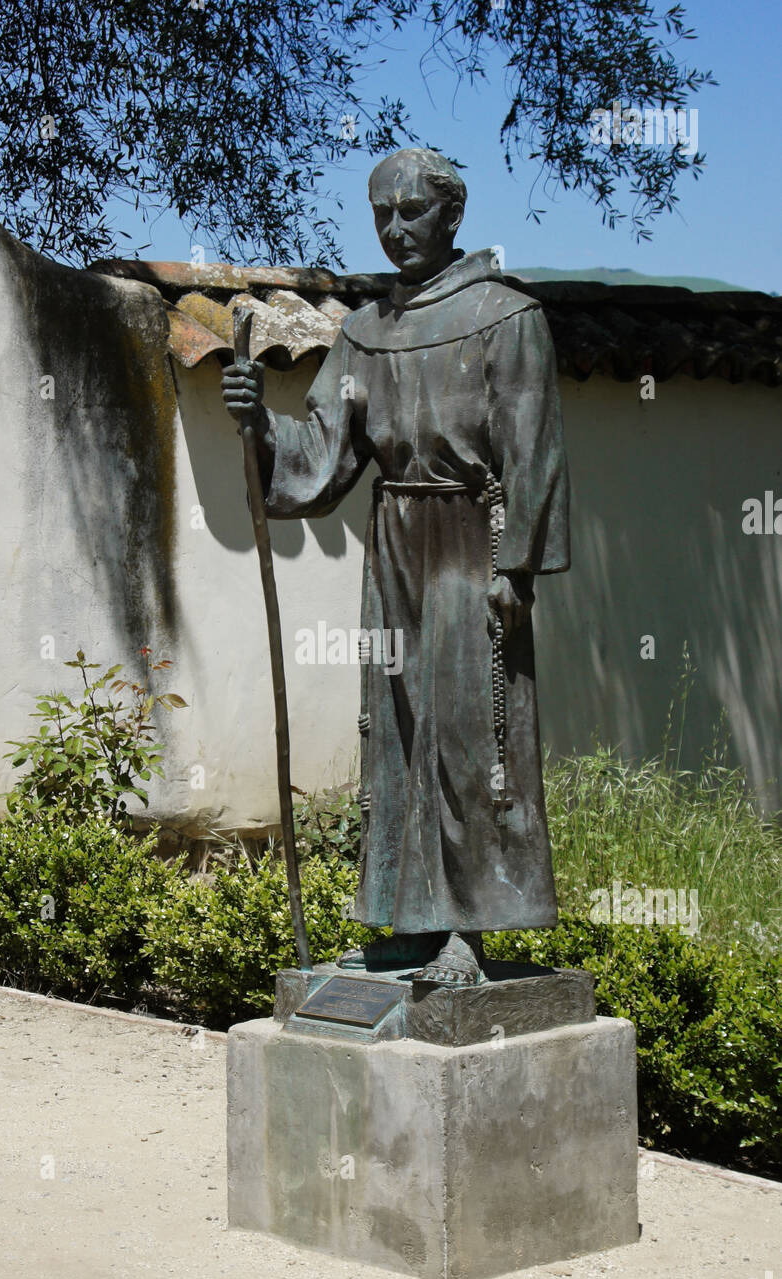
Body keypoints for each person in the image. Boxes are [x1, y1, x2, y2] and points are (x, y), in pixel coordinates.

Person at [222, 148, 570, 986]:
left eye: (412, 212)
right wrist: (261, 427)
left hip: (471, 537)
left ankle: (471, 931)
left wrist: (515, 565)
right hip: (394, 542)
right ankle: (412, 919)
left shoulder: (505, 315)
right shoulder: (364, 334)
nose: (395, 228)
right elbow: (324, 453)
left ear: (451, 216)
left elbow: (534, 451)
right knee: (399, 731)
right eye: (382, 213)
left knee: (468, 728)